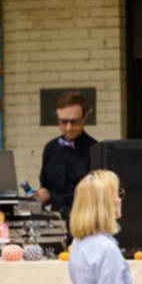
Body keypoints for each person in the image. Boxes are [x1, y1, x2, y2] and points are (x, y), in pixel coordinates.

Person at [37, 91, 97, 219]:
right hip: (55, 224)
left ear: (85, 116)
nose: (69, 128)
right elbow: (47, 190)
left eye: (74, 122)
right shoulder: (50, 148)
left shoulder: (95, 150)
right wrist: (39, 197)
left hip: (85, 224)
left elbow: (98, 196)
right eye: (63, 122)